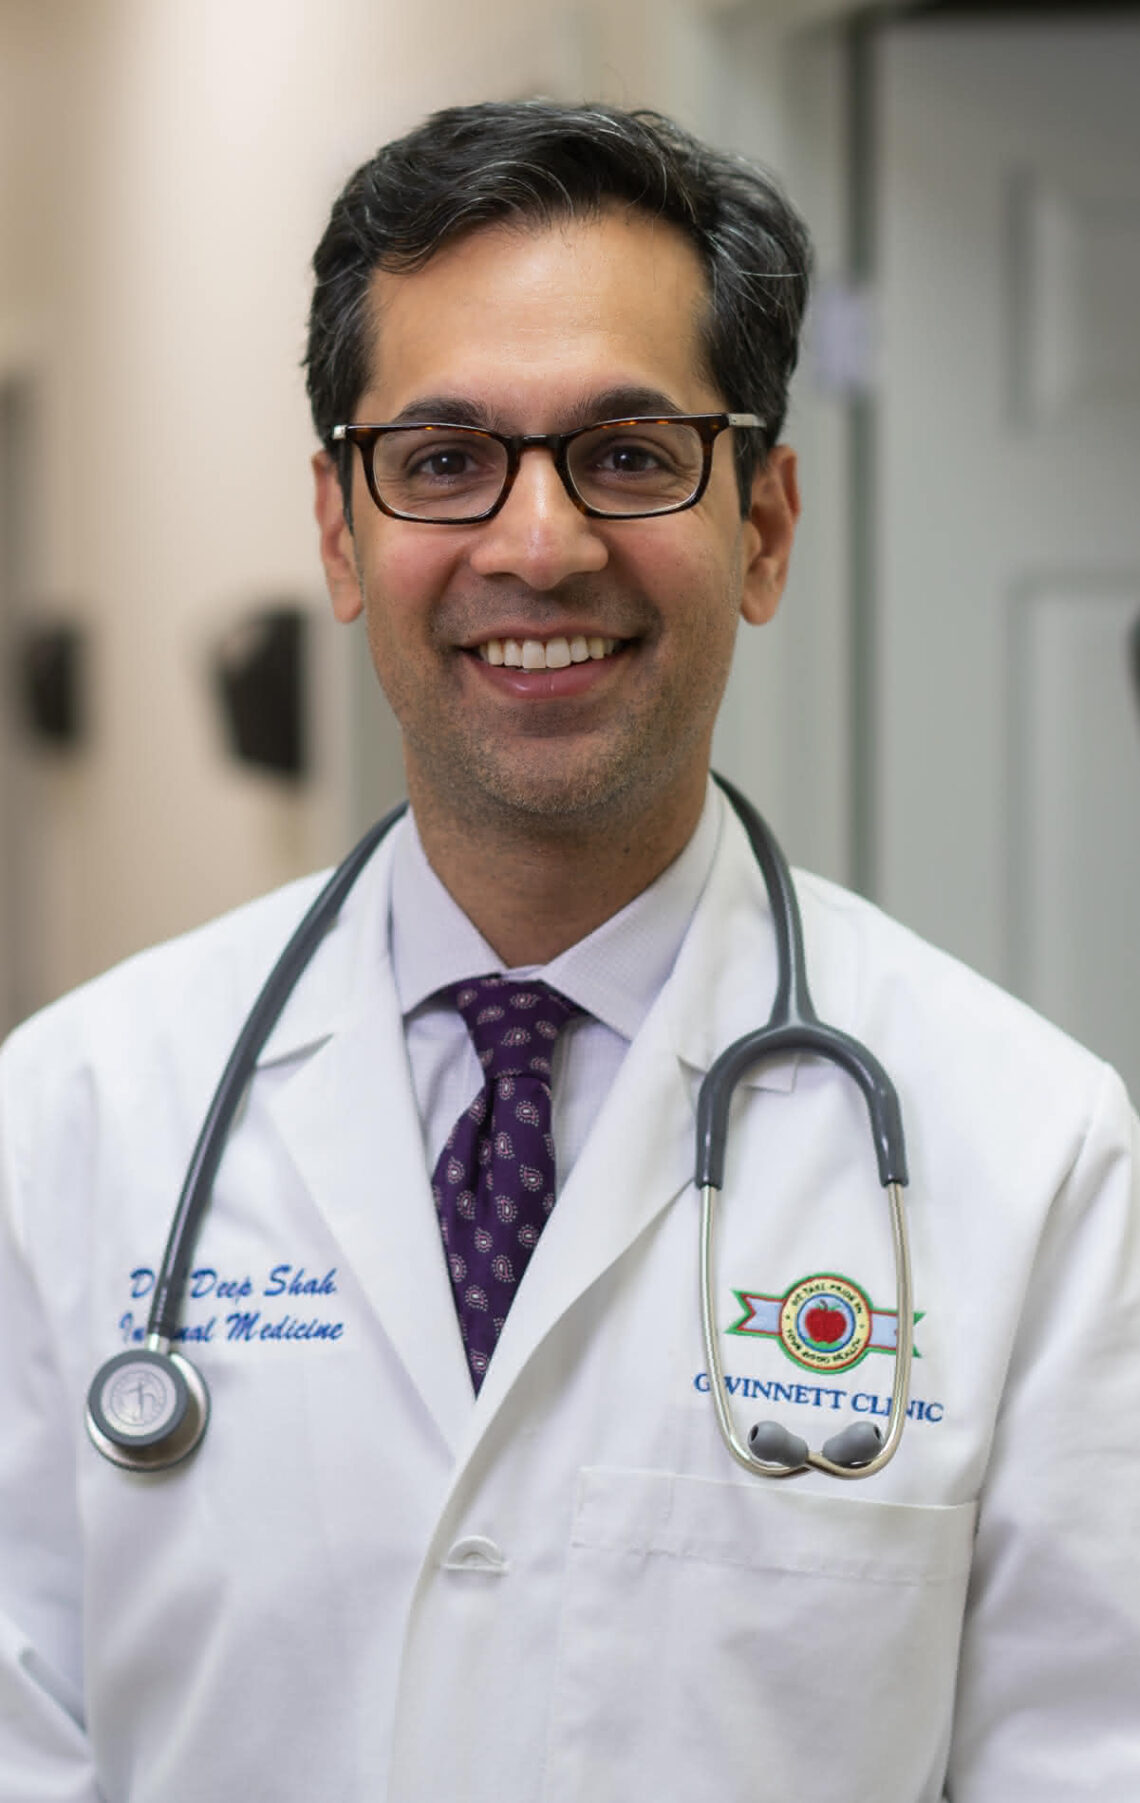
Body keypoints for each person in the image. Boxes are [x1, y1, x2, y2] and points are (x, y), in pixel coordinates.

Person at [0, 100, 1137, 1803]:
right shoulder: (72, 1115)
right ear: (340, 532)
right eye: (447, 458)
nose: (541, 543)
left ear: (762, 527)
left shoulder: (1033, 1152)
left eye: (630, 451)